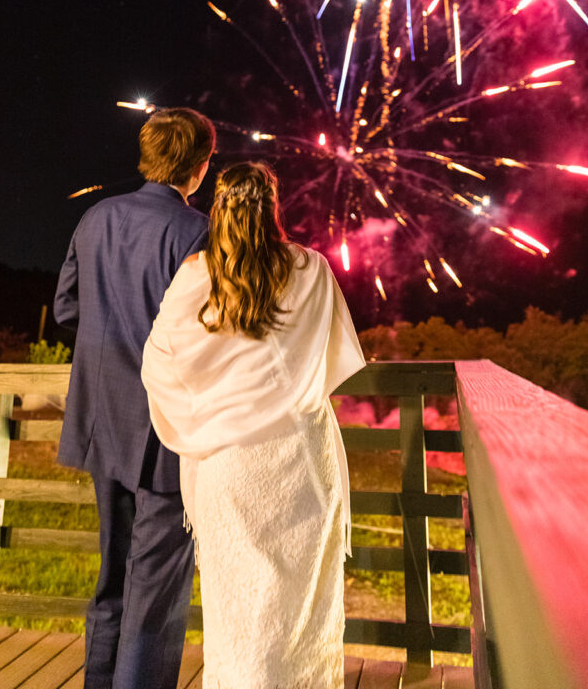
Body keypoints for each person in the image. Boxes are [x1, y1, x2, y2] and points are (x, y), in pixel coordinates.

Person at [141, 161, 366, 689]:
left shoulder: (197, 276)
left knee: (236, 615)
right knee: (303, 614)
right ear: (272, 206)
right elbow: (336, 359)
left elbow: (158, 365)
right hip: (302, 463)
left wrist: (207, 418)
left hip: (229, 469)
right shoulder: (311, 269)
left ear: (218, 209)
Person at [54, 107, 216, 689]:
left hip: (101, 422)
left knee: (112, 578)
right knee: (157, 587)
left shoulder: (96, 217)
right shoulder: (195, 231)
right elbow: (209, 334)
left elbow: (67, 308)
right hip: (163, 431)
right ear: (199, 169)